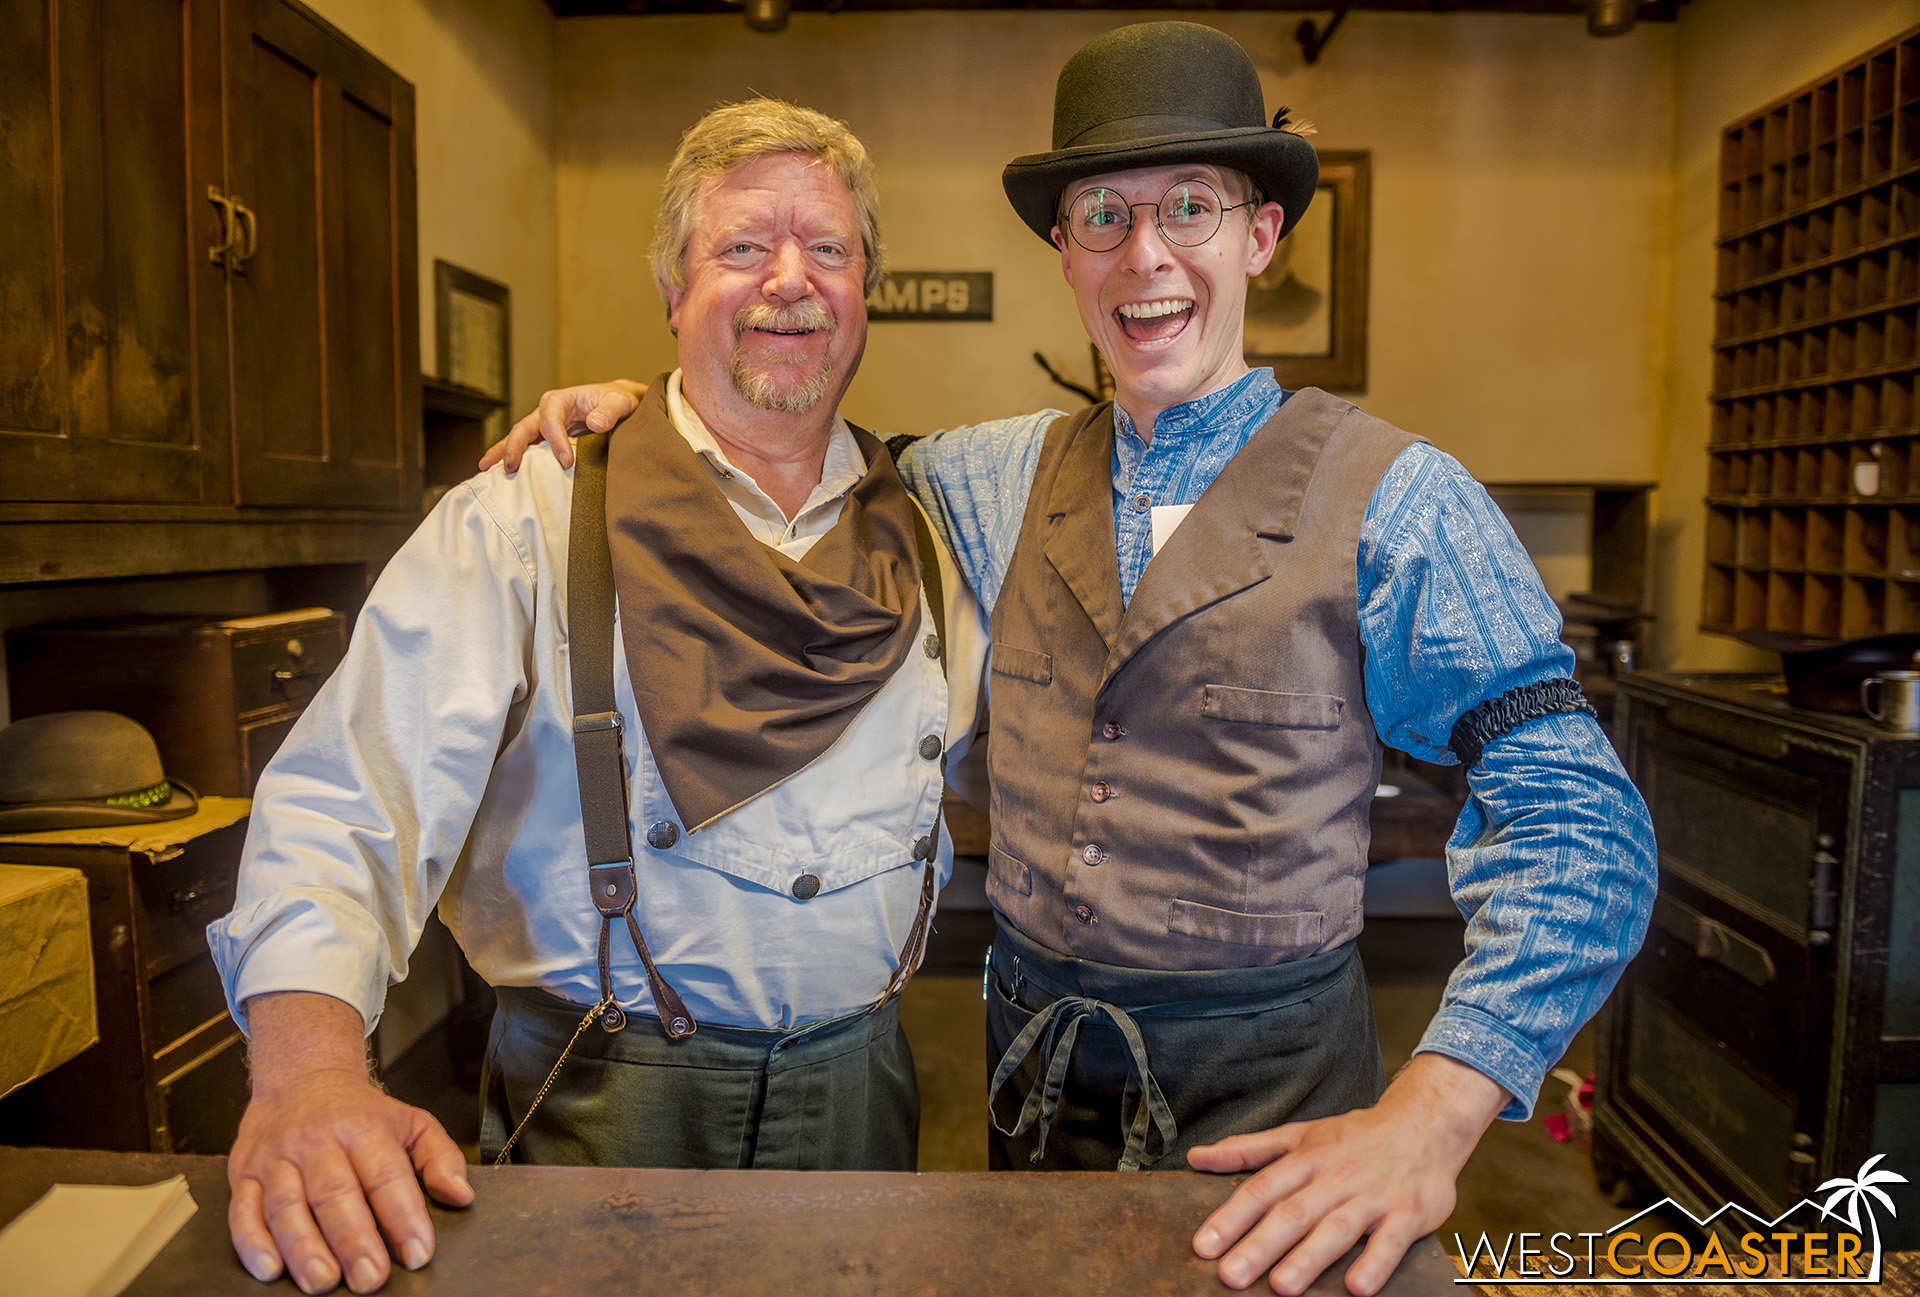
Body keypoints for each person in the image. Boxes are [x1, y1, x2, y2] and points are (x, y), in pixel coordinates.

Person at [489, 22, 1656, 1297]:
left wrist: (1433, 1117)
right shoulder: (982, 480)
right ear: (1064, 251)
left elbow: (1585, 829)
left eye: (1190, 209)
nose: (1146, 255)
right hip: (1033, 1095)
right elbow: (788, 459)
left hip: (1280, 1115)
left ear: (1260, 235)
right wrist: (640, 422)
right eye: (1104, 214)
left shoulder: (1402, 500)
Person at [206, 98, 988, 1297]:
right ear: (675, 288)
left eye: (828, 249)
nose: (791, 281)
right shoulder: (531, 515)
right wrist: (310, 1073)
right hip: (599, 1095)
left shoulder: (933, 535)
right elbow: (346, 807)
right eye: (741, 248)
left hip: (866, 1099)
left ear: (865, 288)